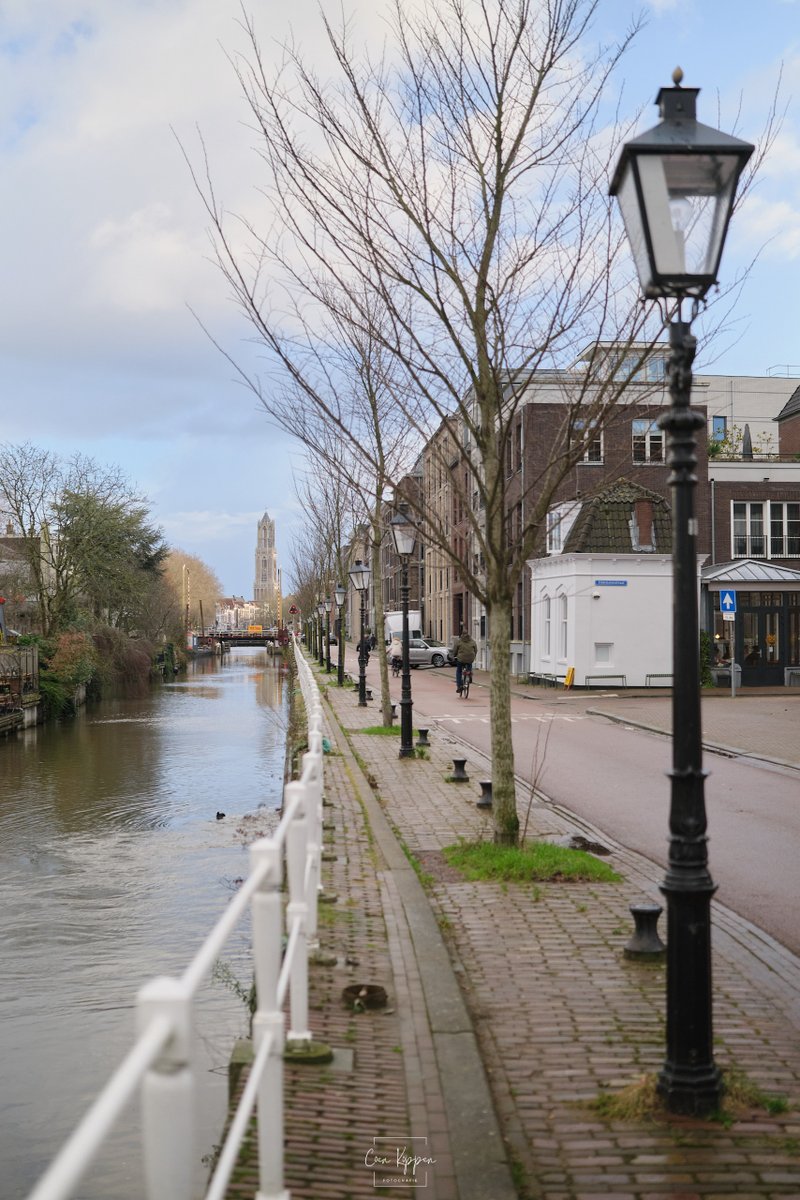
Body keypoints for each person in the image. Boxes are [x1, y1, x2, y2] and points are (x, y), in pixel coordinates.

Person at [452, 627, 477, 693]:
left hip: (461, 659)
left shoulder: (459, 641)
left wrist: (454, 656)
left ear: (461, 634)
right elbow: (476, 650)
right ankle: (469, 675)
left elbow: (455, 650)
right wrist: (474, 656)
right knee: (469, 665)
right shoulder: (472, 641)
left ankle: (459, 686)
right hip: (470, 658)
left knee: (459, 671)